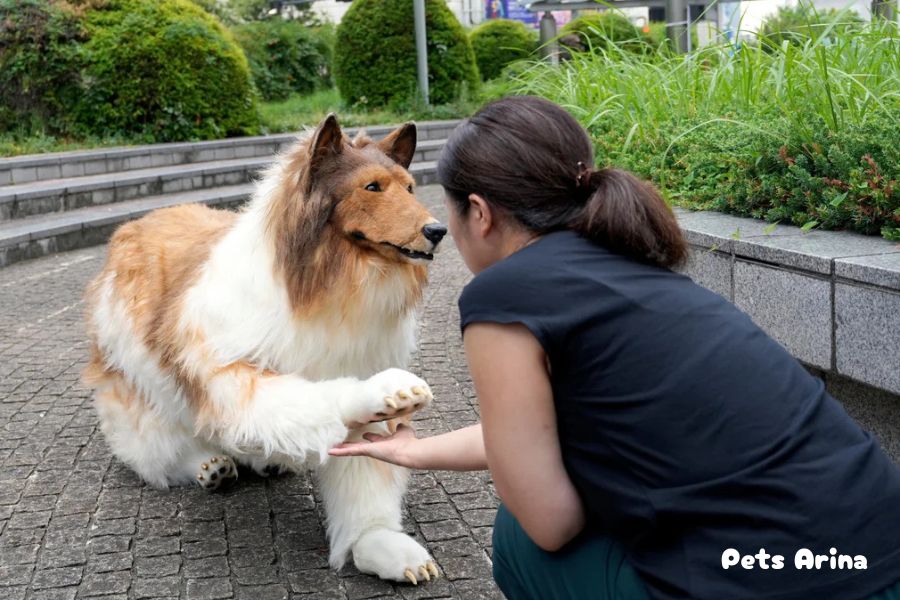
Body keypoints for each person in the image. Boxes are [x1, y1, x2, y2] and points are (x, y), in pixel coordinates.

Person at [329, 96, 900, 600]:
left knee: (519, 539)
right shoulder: (629, 262)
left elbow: (551, 521)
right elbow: (540, 429)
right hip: (878, 555)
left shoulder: (505, 293)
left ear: (478, 213)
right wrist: (414, 451)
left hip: (778, 582)